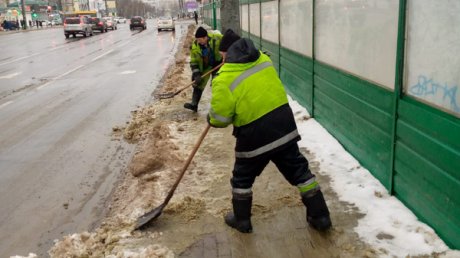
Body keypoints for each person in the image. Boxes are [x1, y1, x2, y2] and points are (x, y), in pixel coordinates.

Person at [207, 29, 332, 233]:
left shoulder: (223, 78)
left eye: (223, 54)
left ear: (227, 53)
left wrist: (210, 118)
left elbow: (220, 119)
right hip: (284, 126)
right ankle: (321, 216)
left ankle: (242, 220)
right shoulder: (264, 59)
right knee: (300, 171)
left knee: (242, 178)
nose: (222, 58)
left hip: (254, 135)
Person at [184, 26, 223, 112]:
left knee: (217, 84)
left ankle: (219, 107)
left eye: (200, 40)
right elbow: (193, 62)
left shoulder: (216, 38)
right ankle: (194, 104)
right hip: (206, 67)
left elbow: (228, 42)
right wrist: (197, 74)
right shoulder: (195, 46)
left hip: (218, 64)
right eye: (197, 39)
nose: (198, 41)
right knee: (198, 84)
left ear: (205, 37)